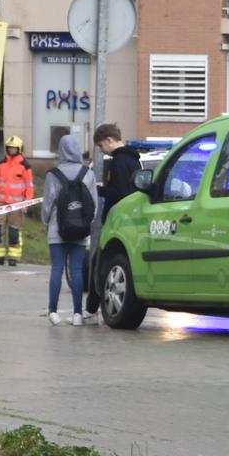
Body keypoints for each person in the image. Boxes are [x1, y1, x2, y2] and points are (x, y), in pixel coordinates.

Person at [89, 124, 142, 318]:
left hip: (117, 219)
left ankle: (91, 308)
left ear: (109, 141)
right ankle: (94, 307)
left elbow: (119, 191)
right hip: (132, 219)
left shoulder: (118, 162)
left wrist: (99, 190)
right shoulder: (135, 160)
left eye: (101, 146)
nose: (102, 150)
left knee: (99, 263)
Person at [43, 133, 96, 325]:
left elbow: (47, 204)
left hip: (57, 228)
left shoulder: (52, 174)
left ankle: (53, 313)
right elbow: (94, 205)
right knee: (76, 271)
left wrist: (46, 223)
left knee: (56, 269)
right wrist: (86, 223)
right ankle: (77, 314)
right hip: (80, 229)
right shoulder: (88, 174)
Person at [0, 135, 34, 267]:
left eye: (14, 148)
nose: (12, 150)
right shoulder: (1, 164)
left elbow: (29, 186)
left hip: (17, 205)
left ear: (19, 149)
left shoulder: (25, 166)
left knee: (14, 232)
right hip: (1, 203)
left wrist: (27, 202)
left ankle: (13, 258)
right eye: (10, 148)